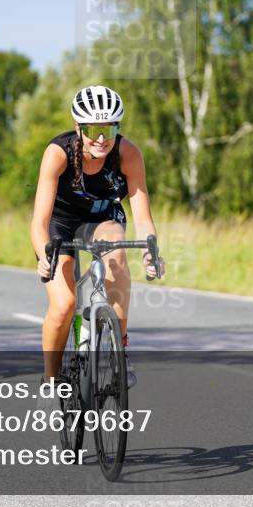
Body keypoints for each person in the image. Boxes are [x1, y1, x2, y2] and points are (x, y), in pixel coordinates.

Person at [30, 85, 163, 389]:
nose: (101, 138)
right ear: (78, 127)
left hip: (103, 219)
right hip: (60, 224)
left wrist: (149, 253)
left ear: (118, 126)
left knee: (117, 259)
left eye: (109, 128)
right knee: (64, 304)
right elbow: (39, 220)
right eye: (93, 129)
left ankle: (120, 350)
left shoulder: (127, 153)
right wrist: (43, 255)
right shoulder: (58, 153)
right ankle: (50, 380)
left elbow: (143, 217)